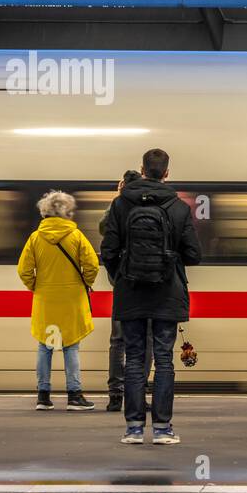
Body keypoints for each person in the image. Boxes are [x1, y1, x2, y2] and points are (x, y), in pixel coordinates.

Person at [100, 148, 202, 444]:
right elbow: (194, 255)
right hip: (166, 294)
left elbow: (107, 251)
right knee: (164, 361)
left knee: (133, 359)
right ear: (166, 173)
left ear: (142, 170)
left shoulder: (120, 205)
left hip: (130, 293)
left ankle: (133, 428)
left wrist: (124, 273)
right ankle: (162, 429)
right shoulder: (179, 207)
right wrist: (171, 259)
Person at [17, 190, 99, 411]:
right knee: (70, 346)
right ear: (67, 212)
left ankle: (43, 396)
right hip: (72, 299)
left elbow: (24, 269)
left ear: (45, 211)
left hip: (46, 299)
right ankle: (74, 395)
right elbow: (91, 265)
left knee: (45, 346)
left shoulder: (35, 238)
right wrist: (85, 283)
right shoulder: (77, 236)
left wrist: (36, 286)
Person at [100, 170, 152, 412]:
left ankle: (115, 395)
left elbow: (106, 240)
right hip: (149, 284)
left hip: (123, 285)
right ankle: (139, 394)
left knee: (118, 341)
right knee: (148, 340)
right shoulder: (151, 206)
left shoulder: (117, 208)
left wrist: (117, 275)